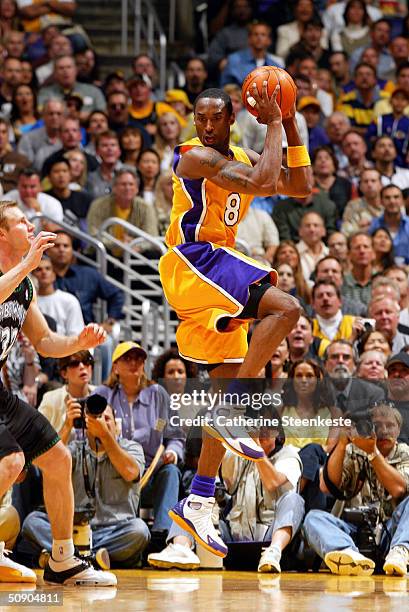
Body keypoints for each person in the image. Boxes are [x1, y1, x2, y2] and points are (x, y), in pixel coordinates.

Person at [159, 84, 311, 557]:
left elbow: (301, 187)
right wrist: (271, 124)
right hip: (193, 261)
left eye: (214, 119)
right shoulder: (192, 158)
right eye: (199, 118)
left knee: (226, 389)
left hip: (215, 272)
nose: (205, 127)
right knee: (286, 307)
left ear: (230, 120)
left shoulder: (244, 152)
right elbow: (260, 184)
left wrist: (287, 120)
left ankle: (200, 499)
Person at [0, 200, 116, 585]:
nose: (31, 229)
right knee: (11, 462)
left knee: (57, 457)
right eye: (21, 223)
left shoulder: (26, 284)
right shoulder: (18, 274)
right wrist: (25, 265)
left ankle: (63, 559)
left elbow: (46, 341)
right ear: (2, 233)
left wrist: (76, 341)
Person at [22, 404, 150, 568]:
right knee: (32, 522)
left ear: (116, 426)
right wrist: (67, 426)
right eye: (95, 419)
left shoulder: (131, 447)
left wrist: (105, 436)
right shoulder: (75, 449)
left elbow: (131, 472)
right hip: (75, 531)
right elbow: (49, 462)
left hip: (115, 531)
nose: (101, 423)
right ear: (85, 424)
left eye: (107, 419)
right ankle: (92, 558)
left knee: (139, 531)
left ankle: (72, 556)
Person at [303, 402, 409, 577]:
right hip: (354, 532)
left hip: (391, 533)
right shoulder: (354, 450)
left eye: (389, 425)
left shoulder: (404, 453)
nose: (383, 431)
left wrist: (373, 454)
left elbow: (398, 489)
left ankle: (400, 552)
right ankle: (348, 555)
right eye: (376, 425)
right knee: (313, 518)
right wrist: (342, 443)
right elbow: (326, 485)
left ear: (399, 430)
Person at [95, 342, 185, 538]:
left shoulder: (158, 395)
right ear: (115, 366)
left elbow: (174, 435)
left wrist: (173, 452)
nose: (134, 363)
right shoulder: (101, 395)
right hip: (115, 473)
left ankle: (162, 536)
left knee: (171, 472)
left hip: (150, 472)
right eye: (127, 359)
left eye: (139, 359)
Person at [38, 350, 95, 445]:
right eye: (74, 364)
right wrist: (67, 425)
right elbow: (42, 448)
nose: (82, 367)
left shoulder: (101, 395)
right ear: (64, 373)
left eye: (87, 361)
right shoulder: (50, 400)